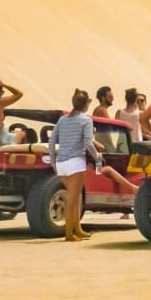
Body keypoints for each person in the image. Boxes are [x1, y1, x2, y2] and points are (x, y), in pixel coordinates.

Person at [49, 89, 99, 241]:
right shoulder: (86, 120)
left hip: (61, 163)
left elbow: (52, 142)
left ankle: (78, 229)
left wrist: (53, 162)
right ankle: (69, 234)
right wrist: (98, 157)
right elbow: (88, 143)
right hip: (75, 163)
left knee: (76, 197)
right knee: (72, 200)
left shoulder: (63, 120)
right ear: (86, 104)